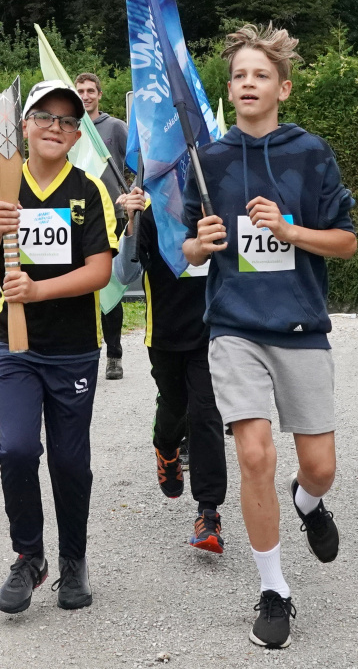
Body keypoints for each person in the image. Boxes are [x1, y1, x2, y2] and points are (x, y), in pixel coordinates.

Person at [182, 24, 356, 649]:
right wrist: (198, 246)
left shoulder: (311, 153)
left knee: (320, 467)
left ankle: (308, 503)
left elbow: (346, 242)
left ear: (282, 88)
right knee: (254, 455)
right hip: (234, 328)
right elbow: (187, 249)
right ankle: (273, 589)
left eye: (260, 75)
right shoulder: (207, 160)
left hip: (301, 327)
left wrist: (289, 231)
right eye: (239, 76)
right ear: (229, 90)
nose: (248, 84)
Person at [0, 79, 118, 614]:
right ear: (23, 126)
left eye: (68, 120)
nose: (56, 126)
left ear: (77, 135)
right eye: (45, 117)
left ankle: (73, 560)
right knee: (15, 449)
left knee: (70, 462)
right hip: (16, 348)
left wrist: (38, 291)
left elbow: (100, 271)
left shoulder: (89, 190)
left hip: (74, 348)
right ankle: (29, 556)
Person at [113, 187, 228, 553]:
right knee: (174, 405)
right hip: (165, 334)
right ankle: (166, 447)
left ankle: (208, 512)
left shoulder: (218, 203)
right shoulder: (150, 211)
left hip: (213, 330)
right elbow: (124, 272)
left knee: (206, 413)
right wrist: (130, 223)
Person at [76, 72, 128, 381]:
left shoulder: (115, 127)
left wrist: (130, 194)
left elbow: (136, 163)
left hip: (112, 216)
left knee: (110, 288)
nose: (85, 95)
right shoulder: (70, 128)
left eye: (90, 90)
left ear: (99, 94)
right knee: (79, 289)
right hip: (77, 218)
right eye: (80, 91)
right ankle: (84, 355)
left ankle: (114, 355)